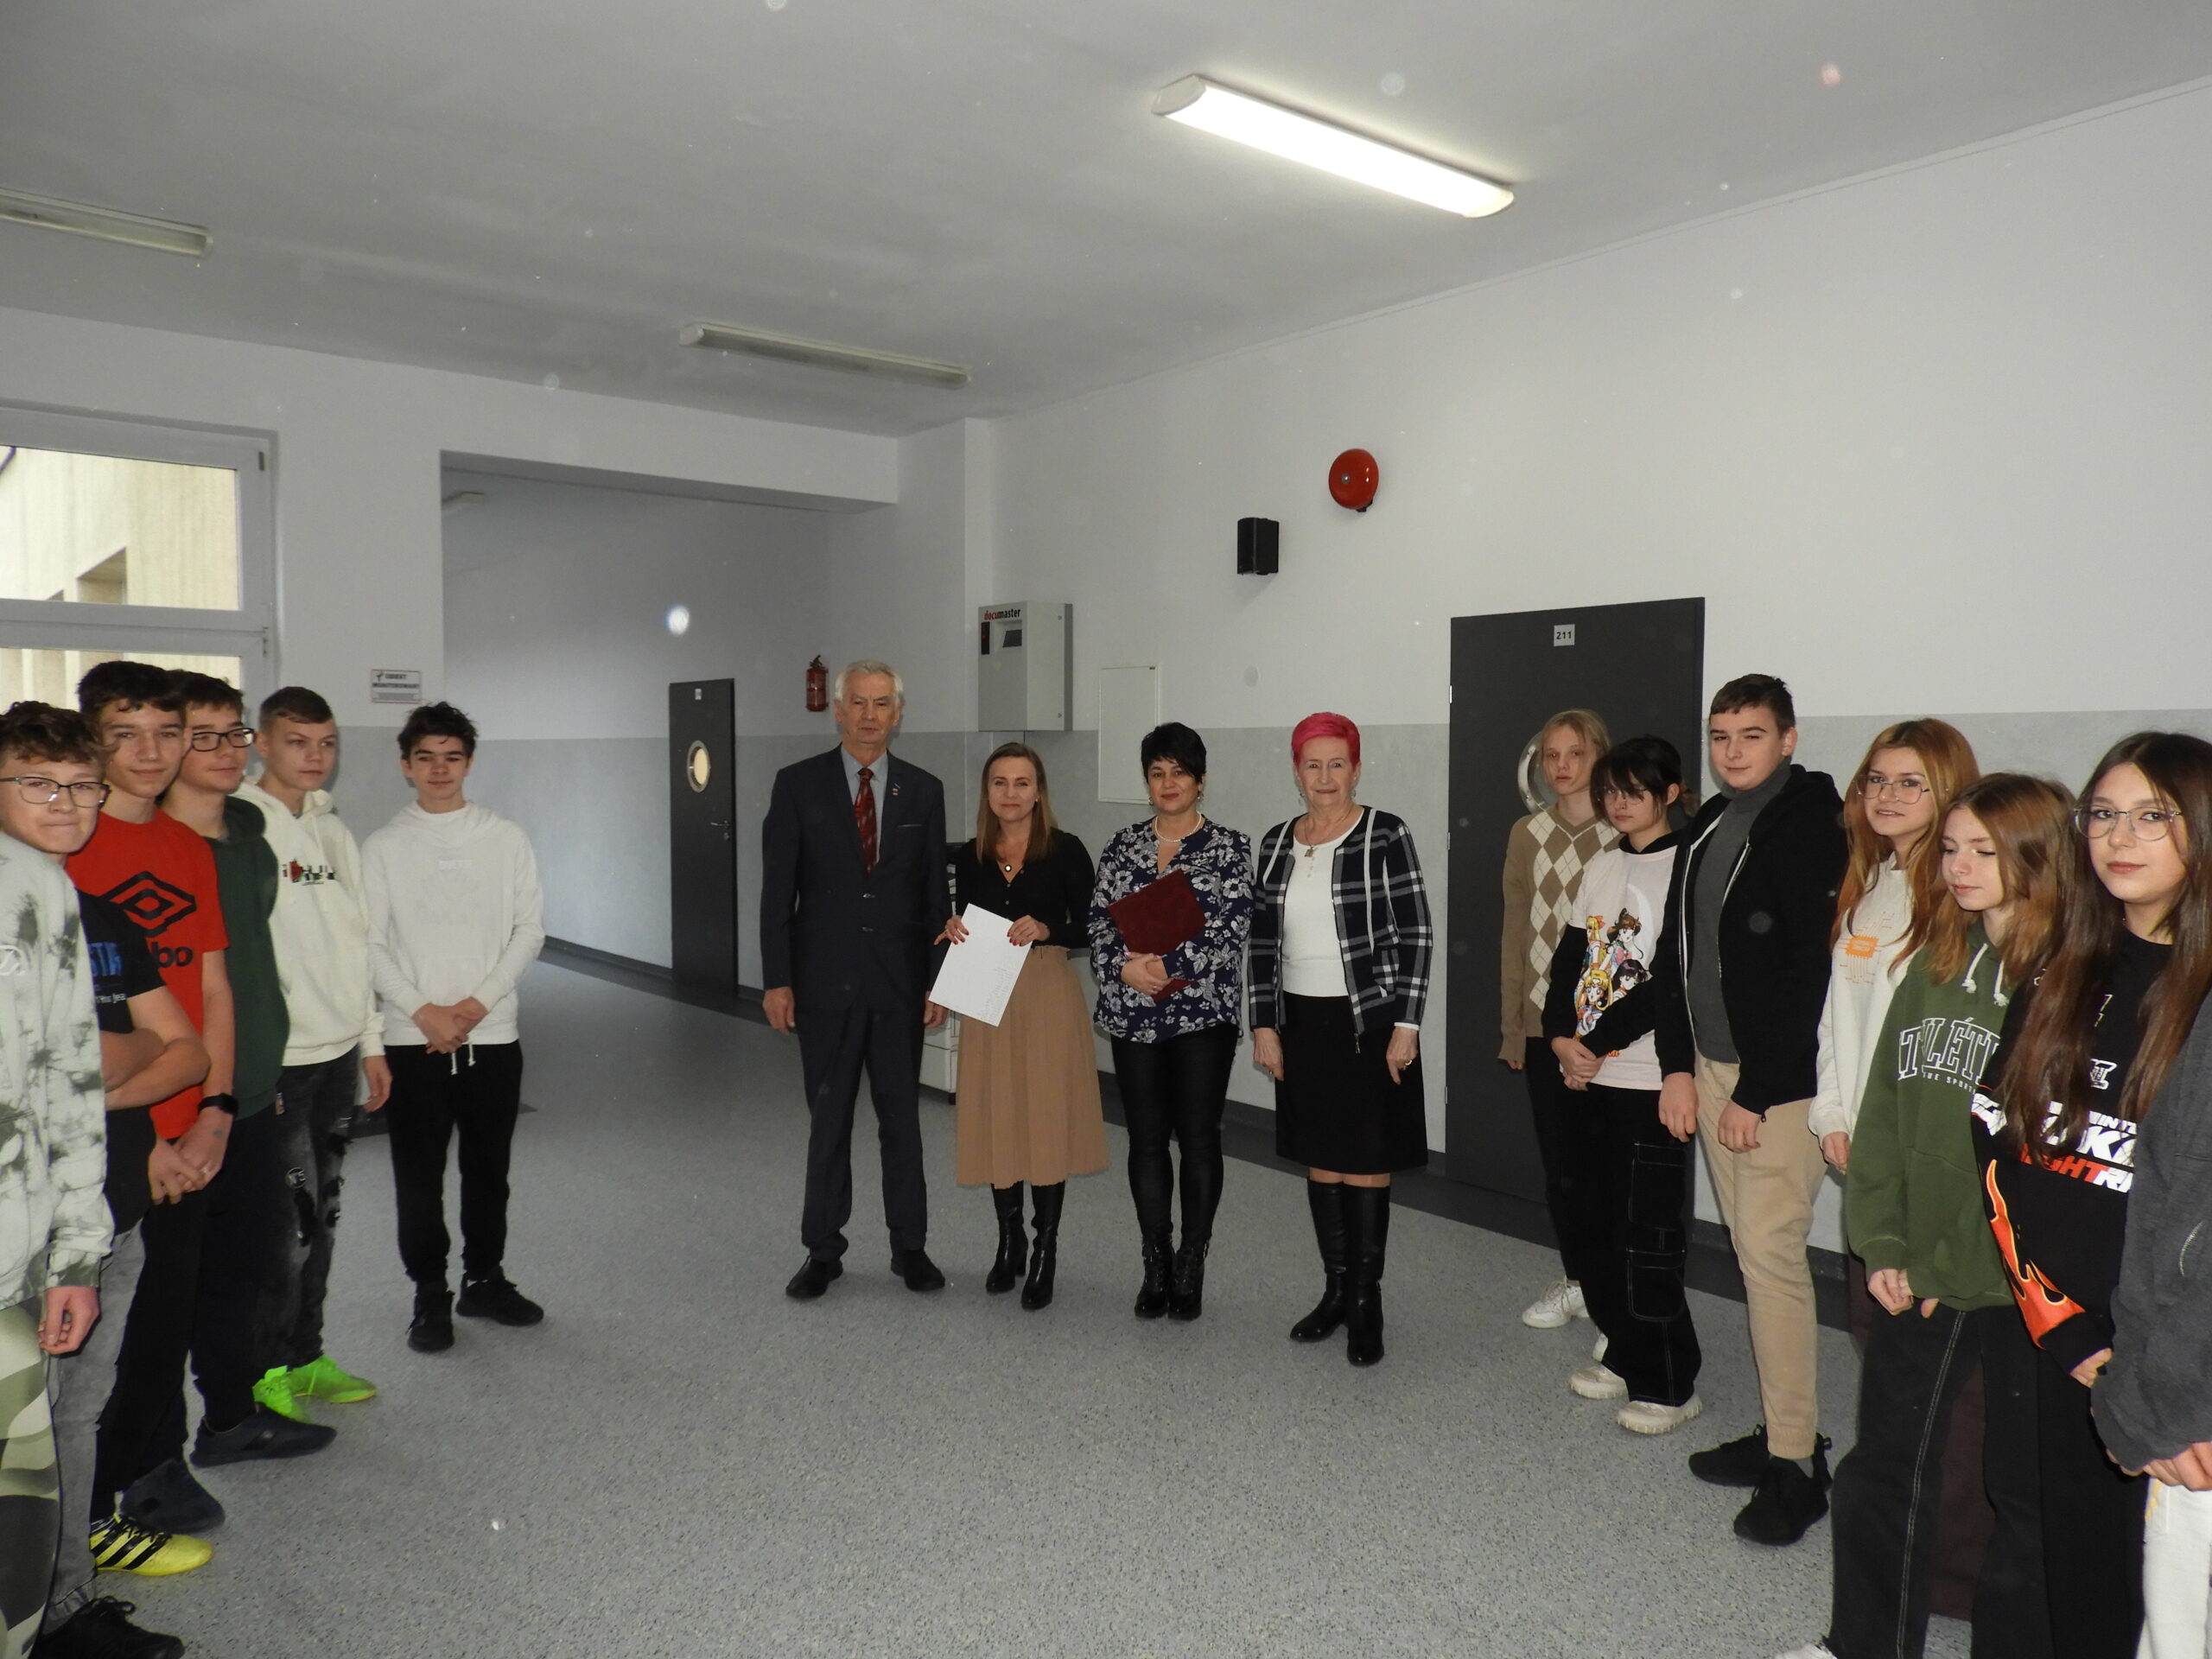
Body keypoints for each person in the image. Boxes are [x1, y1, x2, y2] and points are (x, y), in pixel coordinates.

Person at [1775, 773, 2074, 1659]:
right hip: (1918, 1267)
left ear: (2040, 859)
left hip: (2022, 1286)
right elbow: (1886, 1116)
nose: (1960, 867)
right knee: (1885, 1467)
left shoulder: (2070, 986)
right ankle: (1862, 1645)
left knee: (2023, 1493)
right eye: (1951, 849)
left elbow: (2048, 1167)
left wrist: (1964, 1263)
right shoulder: (1935, 967)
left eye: (1985, 851)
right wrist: (1881, 1243)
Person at [1971, 732, 2212, 1657]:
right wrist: (2067, 1334)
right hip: (2071, 1345)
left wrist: (2172, 1385)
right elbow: (1997, 1147)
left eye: (2153, 816)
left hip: (2179, 1367)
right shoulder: (2066, 968)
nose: (2120, 836)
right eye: (2103, 813)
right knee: (2077, 1579)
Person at [2, 703, 210, 1657]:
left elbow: (182, 1051)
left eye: (82, 786)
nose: (67, 803)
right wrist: (95, 1070)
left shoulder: (89, 911)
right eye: (39, 784)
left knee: (73, 1417)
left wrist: (85, 1080)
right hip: (28, 1228)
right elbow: (75, 1067)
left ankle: (66, 1603)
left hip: (93, 1206)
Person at [1652, 673, 1847, 1545]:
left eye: (1751, 735)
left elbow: (1809, 973)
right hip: (1712, 1067)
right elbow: (1676, 953)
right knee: (1751, 1255)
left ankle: (1797, 1465)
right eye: (1720, 736)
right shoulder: (1708, 825)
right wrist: (1679, 1067)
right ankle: (1781, 1433)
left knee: (1770, 1264)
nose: (1732, 751)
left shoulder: (1812, 828)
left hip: (1776, 1083)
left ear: (1788, 739)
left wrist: (1758, 1091)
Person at [67, 663, 240, 1540]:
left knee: (165, 1320)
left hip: (188, 1122)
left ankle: (146, 1475)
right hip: (113, 1140)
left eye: (167, 733)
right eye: (125, 733)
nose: (150, 752)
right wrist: (148, 1143)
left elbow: (212, 988)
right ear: (90, 739)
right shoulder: (65, 844)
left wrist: (218, 1110)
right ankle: (89, 1512)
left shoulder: (189, 849)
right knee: (98, 1341)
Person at [156, 672, 336, 1471]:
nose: (228, 751)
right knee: (171, 1285)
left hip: (254, 1085)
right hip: (181, 1098)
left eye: (234, 734)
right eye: (205, 736)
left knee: (248, 1263)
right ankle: (149, 1467)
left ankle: (229, 1421)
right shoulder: (159, 846)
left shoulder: (250, 836)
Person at [761, 661, 950, 1300]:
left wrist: (937, 982)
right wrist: (777, 980)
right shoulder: (798, 785)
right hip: (824, 986)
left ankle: (910, 1247)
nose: (871, 715)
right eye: (859, 703)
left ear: (898, 714)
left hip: (899, 987)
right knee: (829, 1123)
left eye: (882, 704)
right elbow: (777, 893)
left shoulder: (923, 791)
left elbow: (933, 896)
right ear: (838, 710)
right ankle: (822, 1250)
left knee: (902, 1123)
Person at [364, 701, 547, 1350]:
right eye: (426, 758)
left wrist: (475, 1006)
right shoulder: (383, 847)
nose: (440, 769)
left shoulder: (505, 839)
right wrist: (423, 1012)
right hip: (412, 1041)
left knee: (488, 1172)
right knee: (418, 1179)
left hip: (490, 1037)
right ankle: (429, 1295)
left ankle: (484, 1280)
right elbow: (369, 943)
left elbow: (529, 930)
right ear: (405, 766)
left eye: (452, 757)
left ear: (469, 763)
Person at [1249, 713, 1429, 1366]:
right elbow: (1261, 941)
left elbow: (1416, 933)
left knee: (1368, 1156)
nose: (1324, 778)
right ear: (1296, 772)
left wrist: (1407, 1025)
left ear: (1356, 769)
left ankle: (1365, 1300)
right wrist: (1263, 1024)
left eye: (1336, 764)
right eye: (1312, 765)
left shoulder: (1385, 832)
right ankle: (1334, 1290)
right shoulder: (1276, 842)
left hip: (1370, 1020)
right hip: (1301, 1021)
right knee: (1321, 1155)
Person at [235, 685, 389, 1421]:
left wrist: (372, 1042)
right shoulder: (243, 826)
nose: (314, 756)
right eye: (297, 742)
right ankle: (264, 1373)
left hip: (338, 1056)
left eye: (326, 743)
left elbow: (360, 944)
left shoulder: (333, 829)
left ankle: (306, 1356)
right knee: (282, 1223)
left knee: (321, 1211)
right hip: (283, 1062)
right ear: (262, 743)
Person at [1541, 735, 1701, 1433]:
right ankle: (1624, 1348)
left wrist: (1596, 1044)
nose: (1620, 802)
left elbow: (1670, 982)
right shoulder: (1604, 865)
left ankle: (1670, 1382)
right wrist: (1560, 1038)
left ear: (1669, 793)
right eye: (1611, 791)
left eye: (1636, 790)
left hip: (1646, 1077)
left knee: (1647, 1236)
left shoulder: (1689, 866)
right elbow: (1570, 961)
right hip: (1585, 1072)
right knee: (1593, 1226)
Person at [1089, 722, 1252, 1323]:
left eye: (1179, 772)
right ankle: (1155, 1260)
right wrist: (1123, 969)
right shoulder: (1122, 845)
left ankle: (1190, 1263)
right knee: (1146, 1140)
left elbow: (1232, 927)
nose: (1168, 783)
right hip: (1133, 1014)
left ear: (1200, 780)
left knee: (1199, 1139)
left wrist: (1167, 967)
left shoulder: (1229, 848)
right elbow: (1098, 922)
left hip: (1202, 1015)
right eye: (1157, 773)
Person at [938, 743, 1104, 1311]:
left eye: (1022, 783)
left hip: (1044, 991)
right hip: (987, 994)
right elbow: (968, 918)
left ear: (1039, 792)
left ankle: (1044, 1250)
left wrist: (1048, 927)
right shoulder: (972, 855)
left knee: (1045, 1117)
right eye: (1000, 783)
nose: (1010, 793)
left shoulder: (1065, 849)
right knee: (997, 1113)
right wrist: (955, 927)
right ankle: (1008, 1239)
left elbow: (1094, 926)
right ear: (987, 792)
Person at [0, 827, 105, 1659]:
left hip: (9, 1281)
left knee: (17, 1544)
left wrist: (76, 1252)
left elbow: (69, 1076)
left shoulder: (32, 884)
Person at [2098, 957, 2212, 1656]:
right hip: (2185, 1421)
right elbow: (2164, 1195)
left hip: (2192, 1411)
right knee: (2174, 1633)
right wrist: (2141, 1391)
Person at [1810, 721, 1978, 1175]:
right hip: (1861, 1133)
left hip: (1925, 1145)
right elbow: (1838, 1016)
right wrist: (1831, 1114)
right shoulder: (1869, 881)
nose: (1887, 796)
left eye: (1909, 783)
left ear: (1948, 790)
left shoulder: (1962, 897)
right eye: (1877, 780)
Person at [1498, 709, 1618, 1330]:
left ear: (1600, 756)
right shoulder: (1528, 833)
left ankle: (1616, 1296)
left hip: (1611, 1031)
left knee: (1607, 1166)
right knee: (1562, 1166)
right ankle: (1577, 1280)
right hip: (1544, 1027)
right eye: (1552, 755)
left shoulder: (1623, 830)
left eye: (1576, 753)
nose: (1563, 765)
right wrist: (1513, 1026)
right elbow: (1515, 932)